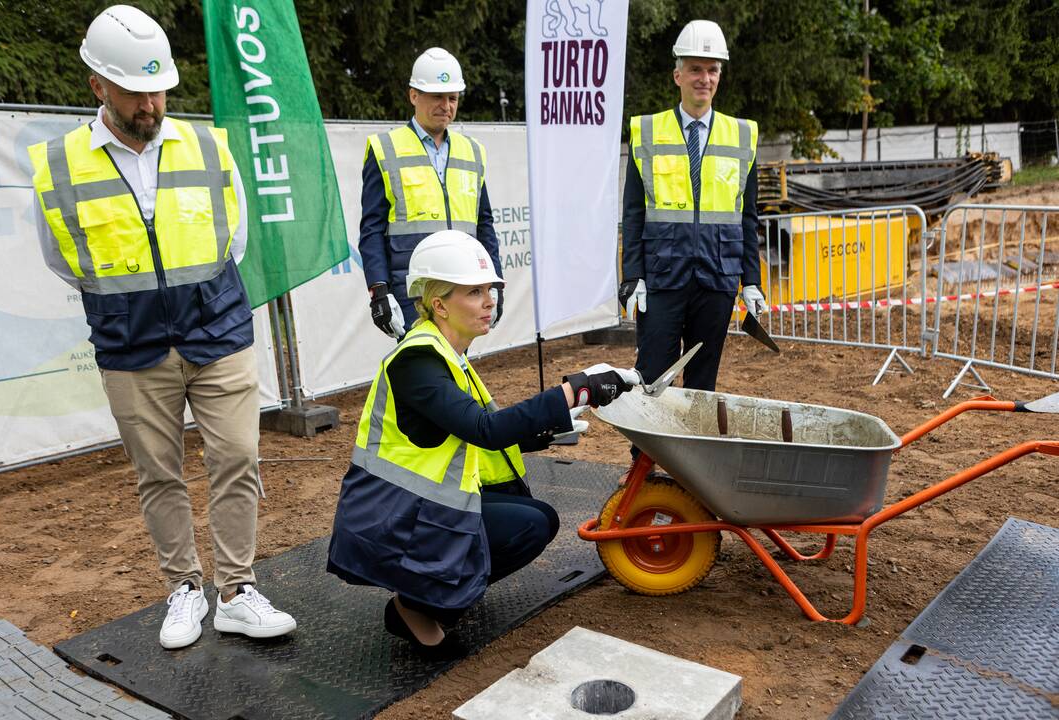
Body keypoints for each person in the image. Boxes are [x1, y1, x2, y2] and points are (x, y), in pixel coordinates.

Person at [28, 5, 295, 650]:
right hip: (131, 342)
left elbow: (232, 238)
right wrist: (134, 300)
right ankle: (184, 588)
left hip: (217, 331)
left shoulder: (207, 147)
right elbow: (63, 259)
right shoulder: (60, 164)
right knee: (159, 473)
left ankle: (235, 590)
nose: (151, 102)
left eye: (160, 87)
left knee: (238, 456)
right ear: (98, 86)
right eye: (135, 90)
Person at [327, 231, 640, 655]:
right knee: (531, 525)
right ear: (439, 304)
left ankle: (437, 594)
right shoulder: (416, 362)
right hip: (395, 519)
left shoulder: (444, 353)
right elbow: (484, 430)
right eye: (474, 292)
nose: (489, 300)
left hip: (416, 508)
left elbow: (473, 437)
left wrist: (548, 432)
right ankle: (415, 607)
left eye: (489, 289)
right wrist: (577, 390)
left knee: (532, 513)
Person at [619, 19, 768, 396]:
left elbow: (748, 217)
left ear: (720, 76)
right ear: (677, 75)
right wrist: (632, 275)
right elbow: (633, 214)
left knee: (702, 383)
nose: (704, 77)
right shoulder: (647, 132)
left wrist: (751, 279)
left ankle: (689, 456)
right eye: (695, 69)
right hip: (663, 276)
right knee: (651, 377)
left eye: (712, 70)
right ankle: (645, 456)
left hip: (717, 278)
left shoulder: (743, 136)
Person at [359, 47, 504, 339]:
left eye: (452, 98)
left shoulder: (472, 152)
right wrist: (379, 291)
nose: (446, 106)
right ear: (414, 95)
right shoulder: (385, 149)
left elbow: (484, 223)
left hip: (463, 286)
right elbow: (371, 229)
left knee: (456, 366)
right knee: (423, 368)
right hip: (414, 290)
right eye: (437, 96)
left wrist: (494, 283)